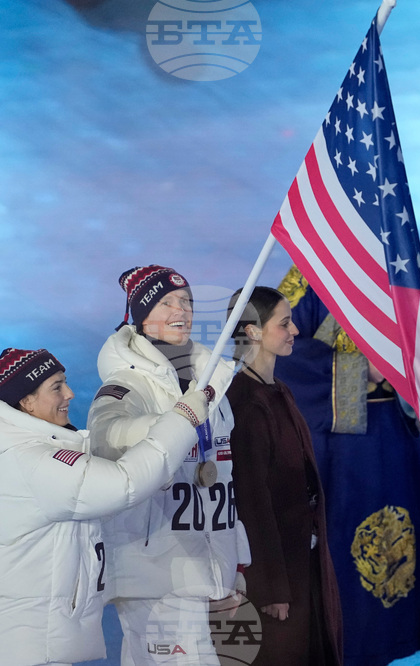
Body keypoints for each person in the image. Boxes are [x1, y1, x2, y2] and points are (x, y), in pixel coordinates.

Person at [0, 347, 209, 666]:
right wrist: (182, 420)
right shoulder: (36, 463)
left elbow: (94, 484)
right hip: (27, 644)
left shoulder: (21, 453)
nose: (70, 393)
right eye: (57, 386)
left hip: (20, 638)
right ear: (26, 401)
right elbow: (125, 484)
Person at [274, 265, 420, 665]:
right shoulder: (305, 278)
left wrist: (402, 357)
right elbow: (275, 350)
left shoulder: (403, 268)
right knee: (336, 556)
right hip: (334, 451)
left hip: (391, 442)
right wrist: (360, 368)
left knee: (392, 552)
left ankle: (382, 647)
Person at [87, 265, 250, 666]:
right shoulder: (127, 384)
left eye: (187, 301)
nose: (182, 310)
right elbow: (106, 437)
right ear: (141, 316)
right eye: (167, 302)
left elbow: (221, 479)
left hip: (204, 568)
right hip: (153, 572)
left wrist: (235, 564)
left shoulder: (209, 380)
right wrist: (174, 423)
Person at [224, 286, 344, 666]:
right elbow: (252, 501)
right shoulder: (246, 404)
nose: (294, 332)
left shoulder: (278, 391)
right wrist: (274, 587)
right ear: (254, 331)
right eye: (285, 323)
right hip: (279, 582)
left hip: (300, 564)